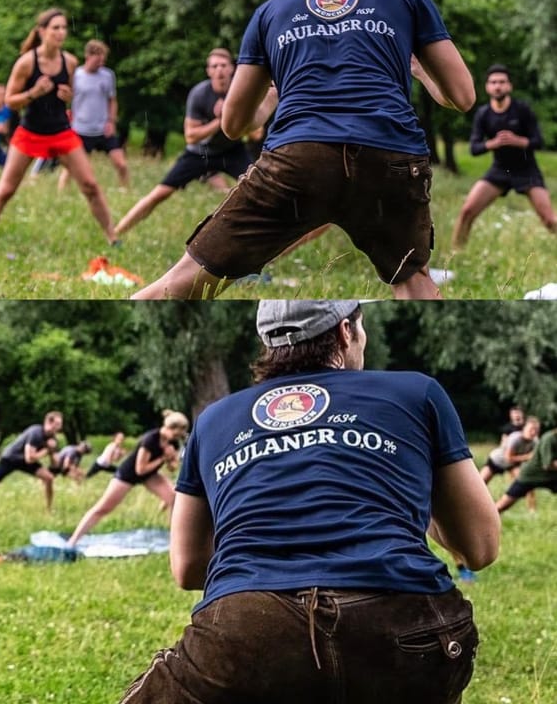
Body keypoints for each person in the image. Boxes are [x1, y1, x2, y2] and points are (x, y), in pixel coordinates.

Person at [120, 299, 499, 703]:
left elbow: (188, 567)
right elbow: (479, 547)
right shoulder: (416, 391)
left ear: (269, 346)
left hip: (250, 627)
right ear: (346, 331)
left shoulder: (214, 419)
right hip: (408, 625)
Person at [135, 0, 475, 300]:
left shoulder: (273, 10)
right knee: (411, 280)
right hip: (389, 154)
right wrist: (419, 71)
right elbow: (463, 97)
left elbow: (233, 126)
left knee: (186, 282)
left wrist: (273, 93)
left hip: (299, 157)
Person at [0, 9, 117, 253]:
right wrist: (33, 93)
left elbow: (68, 95)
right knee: (6, 189)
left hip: (61, 131)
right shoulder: (27, 62)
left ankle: (113, 238)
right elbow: (9, 100)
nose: (61, 32)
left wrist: (67, 96)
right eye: (55, 28)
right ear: (41, 32)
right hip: (30, 133)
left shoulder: (69, 62)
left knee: (90, 185)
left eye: (64, 28)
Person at [114, 48, 254, 239]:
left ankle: (263, 243)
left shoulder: (240, 92)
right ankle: (115, 234)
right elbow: (191, 136)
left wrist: (234, 116)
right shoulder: (199, 94)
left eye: (223, 65)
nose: (219, 70)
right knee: (160, 193)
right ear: (208, 71)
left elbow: (255, 132)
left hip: (232, 150)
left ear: (232, 69)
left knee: (257, 190)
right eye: (214, 66)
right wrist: (218, 121)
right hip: (199, 153)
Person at [452, 64, 554, 250]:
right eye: (493, 82)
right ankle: (456, 255)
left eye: (502, 82)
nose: (498, 86)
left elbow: (538, 141)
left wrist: (518, 141)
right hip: (499, 171)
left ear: (509, 86)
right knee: (467, 211)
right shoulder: (483, 114)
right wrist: (492, 144)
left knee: (550, 220)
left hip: (527, 170)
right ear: (487, 87)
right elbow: (474, 148)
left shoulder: (522, 110)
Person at [66, 412, 189, 547]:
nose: (177, 438)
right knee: (103, 508)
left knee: (174, 498)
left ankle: (175, 540)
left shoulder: (173, 443)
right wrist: (163, 458)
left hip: (149, 475)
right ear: (168, 428)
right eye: (176, 434)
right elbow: (140, 469)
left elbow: (172, 467)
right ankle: (73, 540)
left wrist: (171, 459)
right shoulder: (150, 439)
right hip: (128, 474)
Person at [57, 39, 131, 193]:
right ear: (88, 56)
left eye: (103, 60)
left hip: (103, 129)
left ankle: (126, 192)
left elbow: (112, 100)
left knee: (121, 164)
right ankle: (61, 193)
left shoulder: (108, 75)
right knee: (71, 167)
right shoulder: (76, 75)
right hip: (81, 129)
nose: (101, 63)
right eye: (98, 59)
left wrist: (111, 121)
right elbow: (67, 98)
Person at [0, 411, 63, 514]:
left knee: (49, 478)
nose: (60, 427)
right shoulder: (36, 432)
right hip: (11, 458)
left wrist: (53, 453)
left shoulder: (52, 438)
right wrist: (47, 450)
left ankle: (49, 509)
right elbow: (29, 458)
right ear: (49, 422)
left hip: (24, 462)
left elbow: (55, 464)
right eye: (58, 424)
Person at [496, 428, 557, 515]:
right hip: (530, 476)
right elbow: (547, 465)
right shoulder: (549, 439)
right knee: (503, 504)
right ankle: (486, 519)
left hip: (550, 477)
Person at [479, 416, 540, 485]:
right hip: (497, 460)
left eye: (536, 430)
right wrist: (526, 457)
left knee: (525, 481)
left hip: (512, 464)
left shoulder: (535, 441)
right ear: (524, 428)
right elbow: (508, 458)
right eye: (531, 429)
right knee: (481, 483)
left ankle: (528, 495)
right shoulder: (515, 438)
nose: (533, 432)